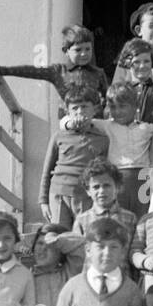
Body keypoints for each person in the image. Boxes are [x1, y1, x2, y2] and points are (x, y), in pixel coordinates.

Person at [63, 85, 153, 217]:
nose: (117, 111)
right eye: (113, 107)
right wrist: (70, 123)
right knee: (118, 216)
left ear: (135, 106)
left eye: (122, 106)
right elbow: (66, 121)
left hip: (142, 178)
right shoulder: (106, 125)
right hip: (117, 176)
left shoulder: (146, 128)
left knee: (141, 216)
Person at [38, 87, 108, 226]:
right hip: (58, 194)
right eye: (75, 108)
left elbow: (102, 173)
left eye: (84, 107)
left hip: (86, 196)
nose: (80, 112)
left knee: (85, 236)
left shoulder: (102, 139)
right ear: (67, 112)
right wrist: (43, 201)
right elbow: (47, 170)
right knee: (59, 236)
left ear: (94, 109)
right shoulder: (59, 136)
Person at [0, 24, 110, 102]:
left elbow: (108, 100)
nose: (84, 54)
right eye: (78, 50)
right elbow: (32, 71)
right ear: (66, 51)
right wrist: (4, 70)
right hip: (68, 125)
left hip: (95, 126)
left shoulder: (98, 73)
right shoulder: (59, 71)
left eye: (87, 49)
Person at [112, 39, 153, 123]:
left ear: (152, 62)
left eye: (146, 61)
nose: (142, 66)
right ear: (127, 63)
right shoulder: (119, 92)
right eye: (136, 62)